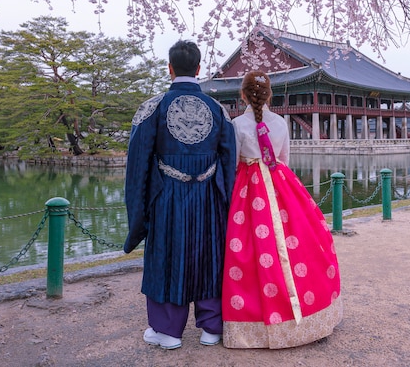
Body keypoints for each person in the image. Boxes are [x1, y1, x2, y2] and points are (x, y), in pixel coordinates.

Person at [123, 40, 236, 350]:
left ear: (170, 67)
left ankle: (168, 331)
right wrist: (225, 206)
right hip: (209, 197)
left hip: (167, 198)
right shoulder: (219, 110)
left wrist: (139, 214)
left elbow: (137, 169)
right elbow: (230, 164)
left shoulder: (152, 107)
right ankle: (212, 327)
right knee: (209, 256)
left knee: (166, 256)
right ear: (199, 69)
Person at [222, 70, 343, 349]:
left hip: (248, 188)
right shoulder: (281, 123)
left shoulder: (236, 125)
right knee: (300, 240)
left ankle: (255, 322)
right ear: (269, 96)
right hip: (282, 184)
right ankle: (307, 313)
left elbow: (231, 164)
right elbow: (284, 159)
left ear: (242, 95)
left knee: (251, 247)